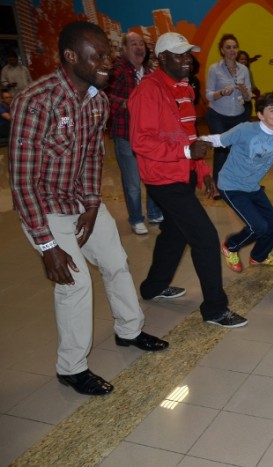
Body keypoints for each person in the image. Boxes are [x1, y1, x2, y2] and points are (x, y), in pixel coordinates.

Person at [8, 21, 169, 397]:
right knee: (74, 284)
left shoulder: (97, 100)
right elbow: (22, 183)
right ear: (70, 56)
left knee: (116, 261)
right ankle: (72, 367)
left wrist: (94, 204)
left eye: (107, 55)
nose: (107, 63)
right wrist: (47, 246)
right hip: (46, 208)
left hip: (81, 204)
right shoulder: (36, 102)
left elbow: (94, 155)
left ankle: (129, 330)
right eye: (97, 56)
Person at [128, 32, 248, 328]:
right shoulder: (149, 91)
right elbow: (140, 142)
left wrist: (203, 172)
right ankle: (215, 309)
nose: (187, 60)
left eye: (188, 55)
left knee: (175, 233)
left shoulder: (183, 89)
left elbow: (190, 135)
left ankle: (152, 287)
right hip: (162, 177)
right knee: (205, 238)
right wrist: (184, 151)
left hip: (181, 173)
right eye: (179, 55)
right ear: (162, 59)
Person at [200, 89, 273, 273]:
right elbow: (219, 140)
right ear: (261, 115)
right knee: (258, 226)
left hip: (251, 187)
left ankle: (259, 256)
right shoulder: (245, 129)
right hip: (230, 186)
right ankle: (230, 246)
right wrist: (192, 144)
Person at [108, 31, 163, 235]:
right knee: (132, 182)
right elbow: (105, 96)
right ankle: (136, 218)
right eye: (133, 44)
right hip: (125, 134)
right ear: (123, 49)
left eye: (141, 44)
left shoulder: (149, 72)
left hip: (149, 135)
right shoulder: (117, 70)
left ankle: (154, 212)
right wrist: (126, 103)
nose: (139, 47)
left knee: (151, 176)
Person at [206, 34, 252, 195]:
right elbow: (209, 95)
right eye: (228, 47)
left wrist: (245, 91)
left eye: (234, 47)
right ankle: (218, 186)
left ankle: (236, 183)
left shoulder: (244, 69)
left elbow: (248, 98)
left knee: (238, 150)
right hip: (218, 114)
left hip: (238, 115)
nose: (232, 50)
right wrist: (222, 92)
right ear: (222, 50)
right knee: (222, 148)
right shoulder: (214, 69)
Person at [236, 50, 259, 119]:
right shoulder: (233, 71)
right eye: (241, 59)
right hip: (237, 100)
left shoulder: (248, 70)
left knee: (246, 118)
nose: (244, 61)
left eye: (245, 59)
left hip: (246, 99)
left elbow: (252, 85)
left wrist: (252, 88)